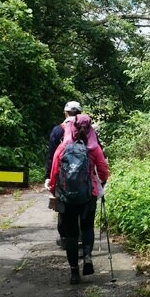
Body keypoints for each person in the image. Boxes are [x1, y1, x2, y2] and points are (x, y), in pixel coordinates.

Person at [49, 113, 109, 284]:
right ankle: (88, 256)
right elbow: (104, 171)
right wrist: (101, 184)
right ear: (90, 128)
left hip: (67, 197)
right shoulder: (94, 147)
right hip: (88, 195)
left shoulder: (63, 147)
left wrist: (55, 192)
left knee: (71, 234)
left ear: (72, 127)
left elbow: (54, 173)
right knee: (88, 227)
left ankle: (74, 272)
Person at [45, 101, 83, 247]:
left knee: (63, 204)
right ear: (80, 113)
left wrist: (49, 176)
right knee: (81, 203)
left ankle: (65, 237)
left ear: (65, 113)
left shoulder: (57, 130)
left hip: (62, 175)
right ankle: (79, 236)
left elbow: (51, 155)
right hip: (82, 176)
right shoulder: (87, 129)